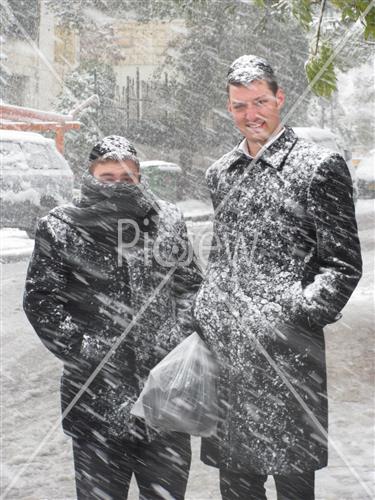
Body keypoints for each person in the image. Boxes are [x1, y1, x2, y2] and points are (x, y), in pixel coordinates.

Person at [193, 55, 362, 499]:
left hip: (289, 362)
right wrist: (208, 310)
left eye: (260, 101)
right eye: (240, 106)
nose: (252, 115)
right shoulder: (220, 174)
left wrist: (295, 314)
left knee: (292, 483)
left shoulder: (317, 167)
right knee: (235, 484)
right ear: (229, 108)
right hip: (229, 359)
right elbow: (222, 256)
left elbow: (342, 264)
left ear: (279, 98)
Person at [23, 136, 202, 499]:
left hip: (162, 401)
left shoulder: (166, 219)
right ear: (90, 176)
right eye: (108, 176)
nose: (118, 184)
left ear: (139, 177)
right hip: (94, 405)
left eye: (126, 177)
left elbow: (192, 287)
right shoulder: (61, 227)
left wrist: (175, 335)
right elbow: (41, 300)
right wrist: (83, 347)